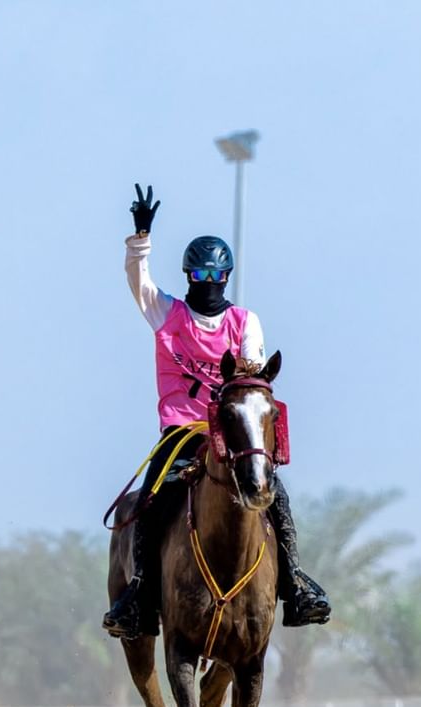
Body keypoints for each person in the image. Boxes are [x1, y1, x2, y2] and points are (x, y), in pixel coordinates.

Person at [102, 184, 330, 641]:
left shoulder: (246, 322)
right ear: (188, 275)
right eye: (199, 272)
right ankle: (141, 590)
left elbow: (250, 374)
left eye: (215, 273)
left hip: (229, 431)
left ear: (226, 276)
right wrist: (141, 237)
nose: (207, 280)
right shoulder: (167, 313)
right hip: (180, 432)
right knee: (151, 500)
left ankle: (295, 584)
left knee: (274, 494)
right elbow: (137, 280)